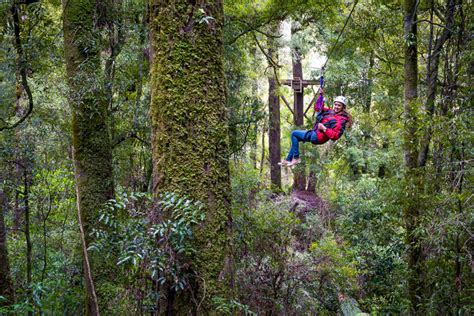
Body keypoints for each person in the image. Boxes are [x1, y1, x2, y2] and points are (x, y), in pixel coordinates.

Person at [279, 95, 351, 167]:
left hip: (318, 137)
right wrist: (320, 97)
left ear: (343, 107)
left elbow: (335, 136)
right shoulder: (330, 112)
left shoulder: (341, 120)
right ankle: (288, 159)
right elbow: (318, 108)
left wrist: (324, 128)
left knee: (294, 134)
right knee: (296, 138)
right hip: (316, 133)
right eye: (335, 104)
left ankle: (296, 158)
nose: (336, 107)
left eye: (339, 105)